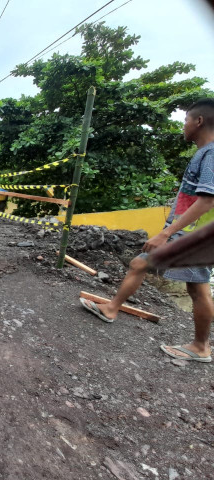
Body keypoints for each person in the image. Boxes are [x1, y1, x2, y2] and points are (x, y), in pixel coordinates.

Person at [80, 98, 214, 363]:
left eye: (186, 120)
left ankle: (201, 347)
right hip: (192, 234)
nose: (183, 126)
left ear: (199, 121)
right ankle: (111, 308)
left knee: (194, 288)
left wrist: (166, 233)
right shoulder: (204, 153)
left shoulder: (211, 154)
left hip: (197, 236)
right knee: (143, 265)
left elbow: (208, 200)